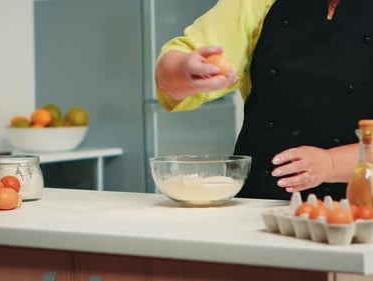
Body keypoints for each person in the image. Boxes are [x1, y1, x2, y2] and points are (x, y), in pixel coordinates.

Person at [154, 0, 373, 200]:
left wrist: (330, 164)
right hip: (259, 202)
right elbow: (170, 75)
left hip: (360, 208)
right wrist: (186, 71)